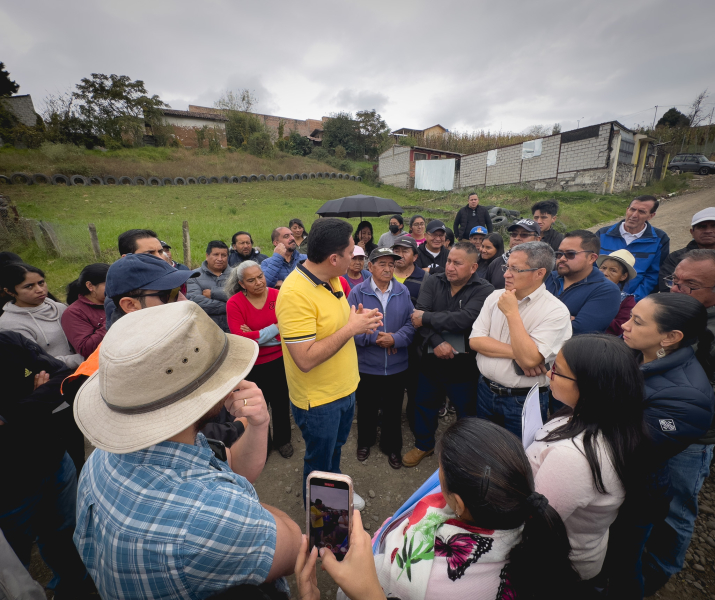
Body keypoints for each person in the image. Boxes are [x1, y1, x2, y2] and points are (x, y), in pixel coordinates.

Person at [72, 302, 302, 599]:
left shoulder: (105, 457)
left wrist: (258, 424)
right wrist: (243, 504)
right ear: (205, 395)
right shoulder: (214, 517)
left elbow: (228, 465)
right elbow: (293, 546)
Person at [370, 419, 578, 600]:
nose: (436, 477)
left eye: (440, 471)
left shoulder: (415, 579)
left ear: (459, 506)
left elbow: (361, 587)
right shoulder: (530, 524)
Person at [608, 293, 714, 596]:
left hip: (643, 483)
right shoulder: (637, 351)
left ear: (670, 337)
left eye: (637, 321)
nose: (625, 326)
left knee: (632, 554)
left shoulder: (687, 396)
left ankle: (648, 580)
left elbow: (632, 448)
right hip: (623, 479)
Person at [276, 218, 382, 508]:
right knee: (318, 461)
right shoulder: (295, 294)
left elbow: (338, 321)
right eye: (351, 252)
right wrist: (351, 329)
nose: (356, 255)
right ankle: (323, 518)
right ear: (334, 258)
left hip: (345, 388)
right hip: (319, 400)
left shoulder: (334, 279)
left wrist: (357, 319)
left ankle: (335, 493)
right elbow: (305, 359)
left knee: (335, 449)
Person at [527, 334, 644, 583]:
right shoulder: (608, 420)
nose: (549, 374)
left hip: (557, 567)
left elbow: (534, 522)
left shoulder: (573, 458)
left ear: (590, 386)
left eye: (557, 370)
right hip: (586, 547)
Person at [0, 332, 94, 600]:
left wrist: (10, 414)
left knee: (65, 532)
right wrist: (36, 397)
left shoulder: (9, 341)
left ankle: (74, 586)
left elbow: (63, 377)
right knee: (13, 560)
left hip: (54, 460)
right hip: (9, 485)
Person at [402, 243, 494, 467]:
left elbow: (465, 319)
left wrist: (427, 317)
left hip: (464, 366)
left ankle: (464, 454)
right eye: (449, 261)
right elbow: (418, 318)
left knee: (466, 412)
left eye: (457, 263)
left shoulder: (484, 289)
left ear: (473, 267)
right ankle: (424, 445)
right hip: (431, 361)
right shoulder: (433, 280)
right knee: (424, 404)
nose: (450, 267)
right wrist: (437, 341)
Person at [471, 242, 572, 438]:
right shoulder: (494, 296)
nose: (506, 274)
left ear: (539, 273)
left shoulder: (556, 311)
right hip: (485, 389)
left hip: (522, 400)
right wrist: (525, 354)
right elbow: (476, 341)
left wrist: (512, 313)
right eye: (507, 267)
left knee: (519, 459)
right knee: (484, 448)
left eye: (515, 269)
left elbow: (528, 361)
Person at [348, 247, 415, 469]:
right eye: (382, 264)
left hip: (397, 366)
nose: (388, 269)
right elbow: (349, 328)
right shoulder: (358, 293)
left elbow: (410, 322)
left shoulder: (402, 291)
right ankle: (365, 442)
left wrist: (396, 339)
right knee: (366, 406)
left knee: (394, 408)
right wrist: (377, 338)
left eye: (391, 264)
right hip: (368, 365)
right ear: (371, 267)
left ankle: (392, 446)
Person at [225, 260, 293, 459]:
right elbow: (241, 339)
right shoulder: (234, 303)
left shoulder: (277, 296)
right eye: (251, 280)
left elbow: (287, 328)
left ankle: (283, 440)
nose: (258, 282)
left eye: (260, 276)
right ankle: (265, 444)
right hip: (253, 365)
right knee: (258, 407)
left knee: (281, 403)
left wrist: (256, 335)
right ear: (242, 284)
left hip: (280, 361)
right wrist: (274, 329)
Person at [0, 263, 83, 368]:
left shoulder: (60, 307)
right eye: (29, 286)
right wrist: (82, 359)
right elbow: (36, 360)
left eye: (41, 283)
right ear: (10, 291)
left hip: (88, 366)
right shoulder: (9, 324)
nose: (39, 289)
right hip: (57, 377)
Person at [545, 230, 621, 335]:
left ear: (591, 258)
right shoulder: (547, 277)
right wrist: (564, 320)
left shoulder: (607, 291)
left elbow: (580, 331)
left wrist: (538, 318)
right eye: (559, 254)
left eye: (570, 254)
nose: (562, 259)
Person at [597, 195, 670, 301]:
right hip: (598, 295)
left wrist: (631, 300)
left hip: (633, 302)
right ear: (627, 210)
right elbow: (591, 266)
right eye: (632, 209)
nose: (634, 215)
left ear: (651, 216)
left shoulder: (659, 239)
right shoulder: (603, 234)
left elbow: (653, 276)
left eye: (641, 212)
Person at [105, 228, 167, 324]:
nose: (160, 258)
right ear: (126, 258)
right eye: (149, 254)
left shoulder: (169, 278)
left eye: (160, 252)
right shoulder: (121, 294)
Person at [659, 207, 715, 291]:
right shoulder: (675, 258)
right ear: (692, 232)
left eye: (714, 226)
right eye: (702, 226)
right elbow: (666, 288)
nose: (708, 231)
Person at [61, 263, 110, 359]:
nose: (115, 287)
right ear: (90, 286)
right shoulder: (73, 313)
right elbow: (86, 349)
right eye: (109, 283)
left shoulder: (119, 300)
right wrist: (112, 319)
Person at [186, 240, 231, 332]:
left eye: (224, 255)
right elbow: (197, 303)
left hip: (233, 328)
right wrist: (231, 306)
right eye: (216, 254)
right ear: (207, 256)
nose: (220, 259)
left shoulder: (236, 274)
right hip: (205, 329)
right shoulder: (194, 276)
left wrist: (213, 293)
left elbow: (243, 296)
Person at [484, 219, 542, 290]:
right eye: (514, 234)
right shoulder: (496, 263)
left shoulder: (542, 264)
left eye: (524, 235)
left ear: (537, 239)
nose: (517, 238)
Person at [597, 249, 638, 336]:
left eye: (613, 270)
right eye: (603, 268)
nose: (605, 273)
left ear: (623, 276)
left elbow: (620, 327)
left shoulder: (627, 301)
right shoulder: (584, 288)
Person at [391, 235, 428, 304]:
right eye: (396, 251)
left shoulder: (425, 279)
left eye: (405, 251)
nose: (400, 255)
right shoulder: (385, 274)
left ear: (415, 257)